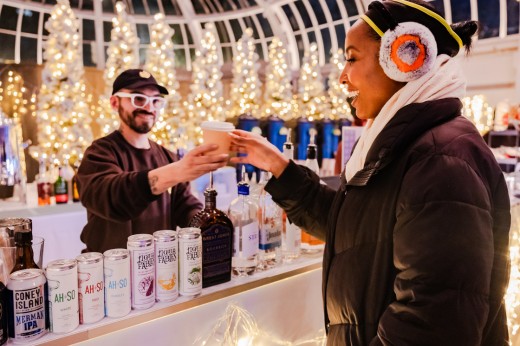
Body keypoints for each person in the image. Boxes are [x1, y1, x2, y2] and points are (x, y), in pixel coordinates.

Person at [230, 1, 511, 344]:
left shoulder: (440, 159)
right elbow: (353, 226)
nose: (343, 77)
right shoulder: (403, 145)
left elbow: (432, 322)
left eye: (351, 57)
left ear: (406, 58)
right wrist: (278, 166)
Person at [77, 69, 228, 253]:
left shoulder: (168, 156)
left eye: (156, 101)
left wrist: (211, 222)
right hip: (111, 272)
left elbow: (185, 207)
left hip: (161, 267)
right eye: (138, 99)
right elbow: (113, 198)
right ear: (115, 102)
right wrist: (174, 172)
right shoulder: (99, 153)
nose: (149, 108)